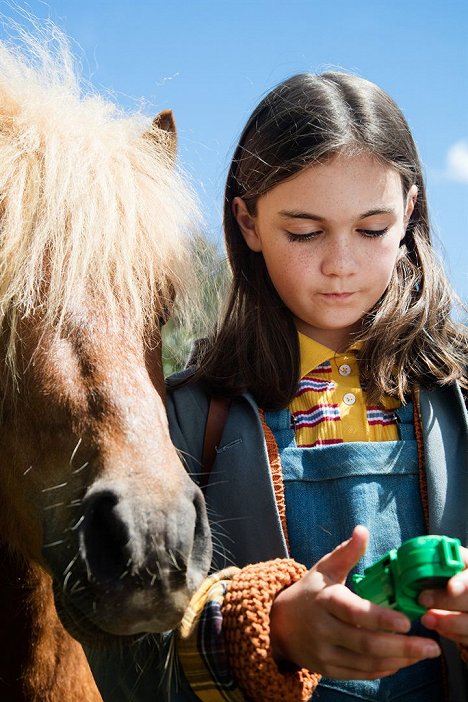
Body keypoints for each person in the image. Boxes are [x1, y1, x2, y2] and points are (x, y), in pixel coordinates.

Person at [87, 72, 468, 702]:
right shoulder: (179, 419)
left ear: (409, 211)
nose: (341, 263)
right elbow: (121, 644)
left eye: (372, 229)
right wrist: (267, 630)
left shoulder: (460, 395)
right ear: (247, 223)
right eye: (304, 232)